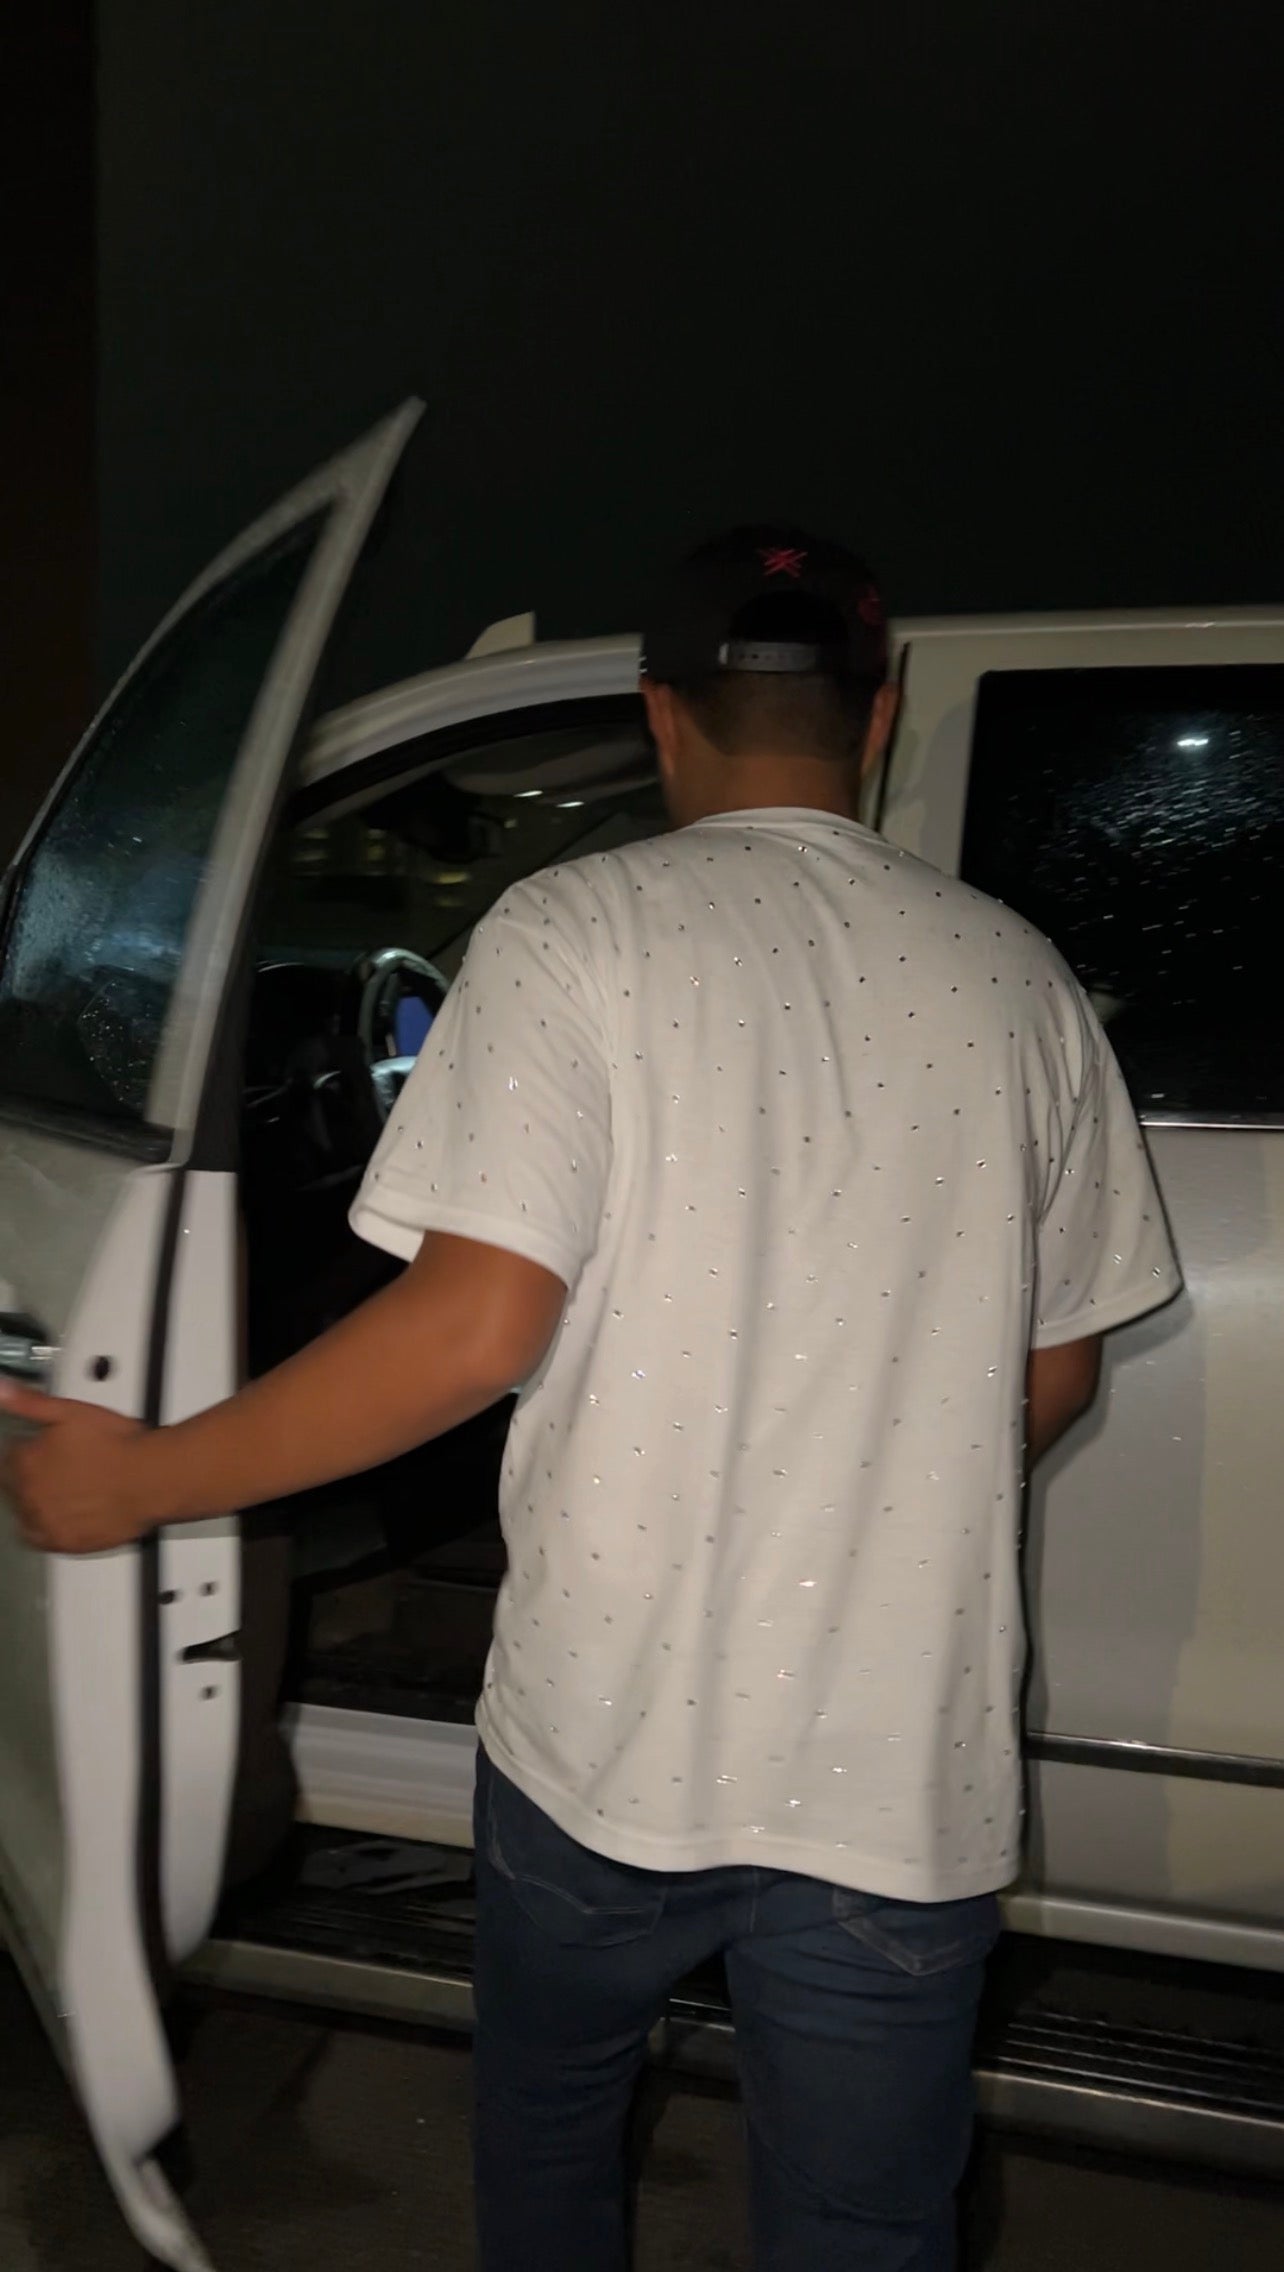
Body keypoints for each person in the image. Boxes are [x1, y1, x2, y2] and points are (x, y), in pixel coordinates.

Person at [2, 525, 1181, 2270]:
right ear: (881, 712)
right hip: (895, 1774)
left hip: (602, 1740)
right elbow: (1060, 1365)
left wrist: (144, 1480)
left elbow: (475, 1328)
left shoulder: (575, 932)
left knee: (552, 2135)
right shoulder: (1018, 976)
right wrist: (875, 1476)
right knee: (866, 2224)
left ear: (658, 713)